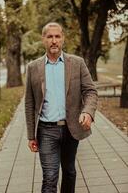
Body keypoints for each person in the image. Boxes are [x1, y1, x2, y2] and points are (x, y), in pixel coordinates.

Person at [25, 22, 98, 193]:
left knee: (70, 171)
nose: (54, 40)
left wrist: (88, 112)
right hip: (46, 130)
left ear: (63, 39)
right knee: (50, 177)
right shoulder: (33, 68)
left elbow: (90, 92)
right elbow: (29, 103)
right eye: (50, 36)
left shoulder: (77, 63)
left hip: (70, 129)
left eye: (57, 36)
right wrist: (30, 136)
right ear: (43, 39)